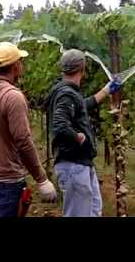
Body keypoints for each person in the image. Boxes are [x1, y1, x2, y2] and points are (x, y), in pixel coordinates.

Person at [0, 41, 57, 217]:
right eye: (20, 61)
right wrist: (42, 179)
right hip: (6, 182)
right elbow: (23, 141)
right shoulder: (12, 96)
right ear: (15, 66)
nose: (22, 65)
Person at [46, 49, 122, 217]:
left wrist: (106, 90)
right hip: (73, 164)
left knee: (94, 209)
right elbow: (60, 124)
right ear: (82, 68)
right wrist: (78, 137)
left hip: (81, 163)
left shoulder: (67, 91)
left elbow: (82, 106)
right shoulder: (66, 93)